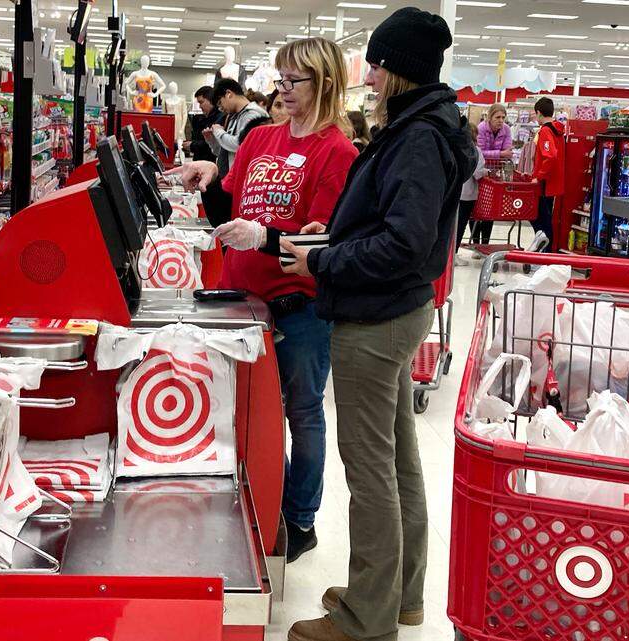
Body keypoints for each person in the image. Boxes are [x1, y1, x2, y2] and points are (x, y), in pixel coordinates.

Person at [278, 8, 475, 641]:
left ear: (397, 69)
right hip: (398, 310)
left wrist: (325, 257)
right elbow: (394, 226)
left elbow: (404, 244)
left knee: (369, 470)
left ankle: (368, 616)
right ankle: (398, 593)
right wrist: (334, 232)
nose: (367, 72)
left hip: (376, 317)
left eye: (376, 61)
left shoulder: (417, 137)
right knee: (398, 465)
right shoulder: (422, 126)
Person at [169, 37, 358, 565]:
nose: (283, 90)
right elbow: (232, 192)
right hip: (241, 301)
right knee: (247, 409)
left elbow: (320, 242)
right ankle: (255, 500)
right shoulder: (261, 138)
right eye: (280, 80)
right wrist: (207, 176)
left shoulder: (337, 152)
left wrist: (266, 236)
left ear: (323, 82)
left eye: (292, 81)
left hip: (298, 307)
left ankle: (299, 518)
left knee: (302, 413)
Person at [184, 85, 232, 227]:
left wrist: (193, 145)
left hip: (216, 176)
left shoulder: (219, 119)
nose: (200, 106)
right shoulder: (208, 118)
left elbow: (219, 148)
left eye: (201, 102)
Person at [206, 78, 268, 177]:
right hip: (231, 178)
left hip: (246, 177)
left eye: (220, 103)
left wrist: (219, 132)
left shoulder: (253, 114)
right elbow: (225, 151)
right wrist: (212, 140)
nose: (221, 109)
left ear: (228, 94)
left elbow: (239, 145)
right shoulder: (234, 116)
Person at [473, 103, 513, 246]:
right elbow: (479, 152)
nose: (501, 120)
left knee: (491, 209)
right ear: (490, 117)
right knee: (477, 208)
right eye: (497, 117)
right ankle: (475, 241)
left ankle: (485, 243)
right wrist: (500, 154)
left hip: (495, 174)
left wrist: (501, 155)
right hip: (480, 173)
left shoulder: (506, 129)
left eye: (503, 117)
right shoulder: (481, 129)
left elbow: (509, 151)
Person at [531, 97, 564, 252]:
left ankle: (545, 251)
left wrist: (539, 176)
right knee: (546, 218)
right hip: (554, 182)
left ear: (538, 113)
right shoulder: (558, 130)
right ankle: (546, 251)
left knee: (538, 217)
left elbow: (550, 155)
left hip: (544, 183)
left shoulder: (545, 130)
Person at [456, 120, 487, 262]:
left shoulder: (457, 148)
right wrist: (487, 172)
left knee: (455, 224)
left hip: (456, 192)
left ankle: (452, 252)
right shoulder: (476, 151)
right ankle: (455, 253)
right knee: (461, 225)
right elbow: (477, 173)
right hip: (468, 194)